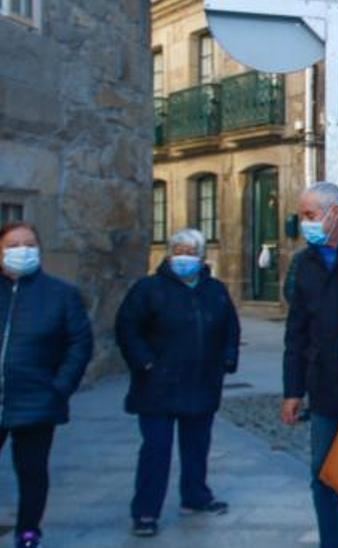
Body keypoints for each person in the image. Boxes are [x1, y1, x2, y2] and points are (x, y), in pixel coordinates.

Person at [115, 229, 241, 537]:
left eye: (191, 251)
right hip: (157, 384)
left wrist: (227, 359)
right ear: (169, 255)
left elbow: (230, 328)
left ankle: (195, 496)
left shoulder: (215, 290)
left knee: (197, 446)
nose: (184, 257)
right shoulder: (148, 289)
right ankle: (145, 511)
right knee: (156, 449)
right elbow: (127, 328)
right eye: (179, 250)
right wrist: (144, 362)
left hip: (201, 381)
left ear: (201, 256)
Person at [281, 181, 338, 548]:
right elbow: (296, 332)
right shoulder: (305, 263)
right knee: (323, 474)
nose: (305, 223)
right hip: (323, 388)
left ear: (335, 213)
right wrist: (292, 390)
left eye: (309, 215)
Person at [0, 222, 93, 548]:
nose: (21, 250)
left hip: (37, 399)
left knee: (32, 470)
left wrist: (61, 386)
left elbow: (79, 343)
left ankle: (28, 530)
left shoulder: (60, 294)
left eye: (28, 243)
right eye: (13, 244)